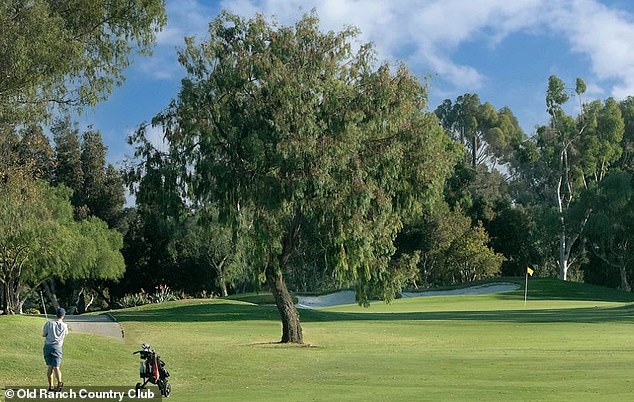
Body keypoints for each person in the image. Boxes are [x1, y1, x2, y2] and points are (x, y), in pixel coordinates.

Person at [42, 307, 69, 391]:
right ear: (63, 316)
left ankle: (51, 386)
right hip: (57, 347)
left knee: (50, 366)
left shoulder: (49, 323)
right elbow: (65, 334)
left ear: (56, 315)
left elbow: (43, 334)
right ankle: (59, 383)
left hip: (47, 347)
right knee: (56, 366)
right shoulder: (65, 326)